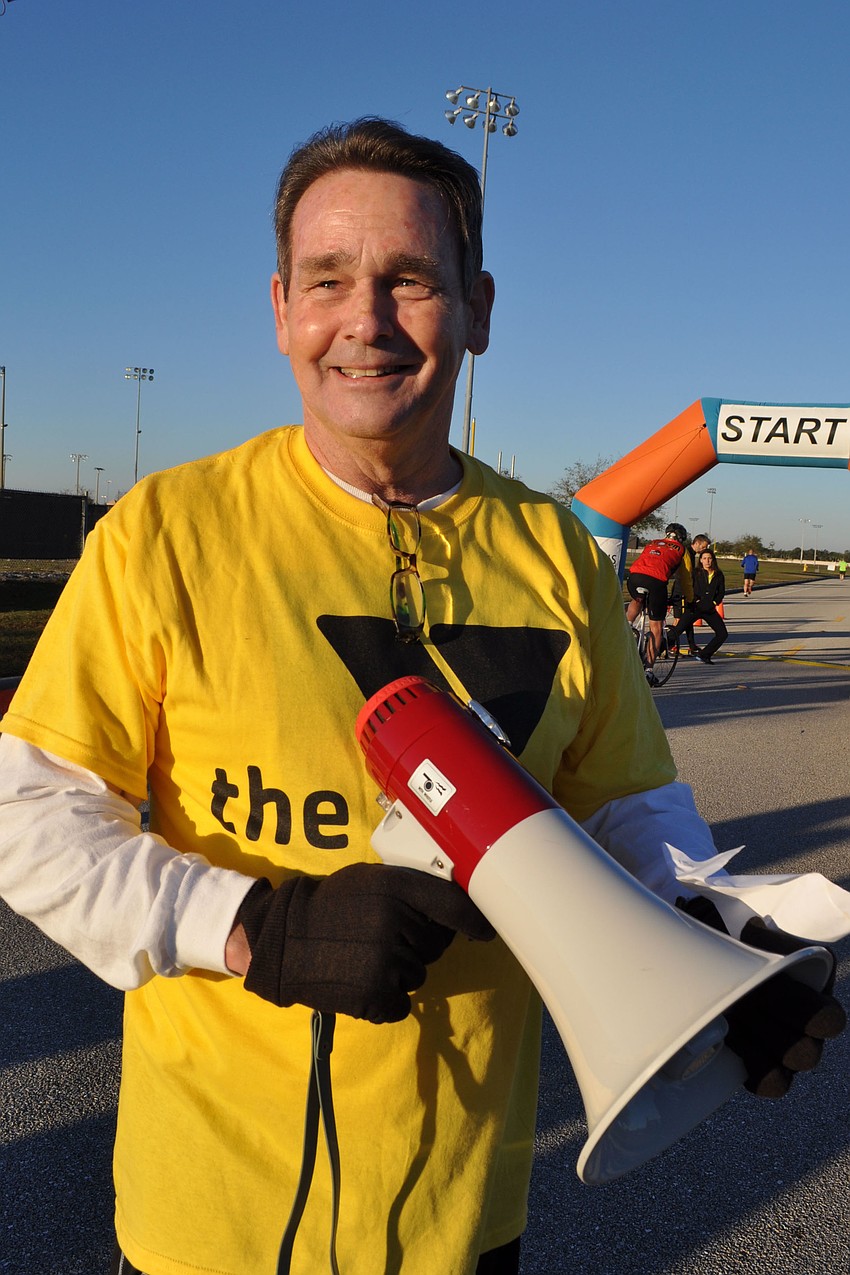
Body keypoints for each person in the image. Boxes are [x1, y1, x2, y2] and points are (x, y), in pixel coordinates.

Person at [0, 119, 842, 1275]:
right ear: (282, 308)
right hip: (205, 1220)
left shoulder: (552, 551)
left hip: (465, 1216)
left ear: (479, 308)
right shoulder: (167, 533)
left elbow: (633, 815)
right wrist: (244, 928)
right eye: (327, 281)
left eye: (409, 281)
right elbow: (31, 817)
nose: (364, 322)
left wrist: (719, 944)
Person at [625, 522, 694, 680]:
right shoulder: (682, 550)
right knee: (656, 628)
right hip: (656, 582)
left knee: (638, 599)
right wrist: (689, 599)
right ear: (681, 538)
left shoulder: (653, 543)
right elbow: (686, 578)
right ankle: (649, 670)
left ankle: (626, 626)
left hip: (634, 578)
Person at [668, 548, 728, 665]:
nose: (707, 561)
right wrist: (694, 600)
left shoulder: (719, 575)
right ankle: (658, 647)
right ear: (700, 560)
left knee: (722, 634)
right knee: (678, 630)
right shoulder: (695, 572)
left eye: (709, 558)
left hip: (709, 610)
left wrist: (714, 603)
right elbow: (688, 587)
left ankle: (704, 654)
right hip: (694, 608)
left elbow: (721, 592)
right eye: (704, 558)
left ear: (713, 560)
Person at [668, 532, 710, 656]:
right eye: (703, 547)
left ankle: (692, 645)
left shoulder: (691, 555)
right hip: (680, 591)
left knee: (688, 618)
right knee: (680, 620)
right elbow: (682, 575)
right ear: (696, 543)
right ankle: (669, 645)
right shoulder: (686, 553)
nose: (704, 550)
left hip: (687, 591)